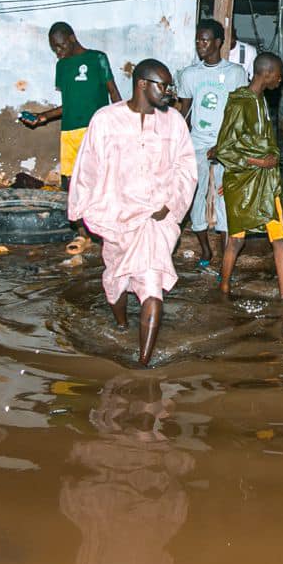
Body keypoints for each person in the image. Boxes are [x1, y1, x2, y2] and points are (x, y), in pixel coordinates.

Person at [66, 59, 197, 365]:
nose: (169, 93)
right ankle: (123, 324)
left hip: (156, 217)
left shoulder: (174, 122)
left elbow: (186, 169)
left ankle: (142, 363)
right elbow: (87, 167)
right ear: (142, 84)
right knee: (115, 281)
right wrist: (79, 211)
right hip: (115, 215)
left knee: (152, 285)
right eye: (162, 86)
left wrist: (172, 205)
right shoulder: (106, 120)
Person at [215, 52, 283, 299]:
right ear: (267, 74)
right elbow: (225, 147)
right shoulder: (239, 102)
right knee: (236, 240)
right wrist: (259, 162)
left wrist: (273, 159)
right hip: (244, 182)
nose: (280, 80)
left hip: (267, 183)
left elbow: (266, 141)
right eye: (278, 76)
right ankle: (224, 288)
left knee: (279, 238)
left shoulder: (262, 101)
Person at [175, 18, 248, 272]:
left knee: (224, 200)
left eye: (205, 40)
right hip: (197, 145)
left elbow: (241, 113)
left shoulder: (235, 73)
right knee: (194, 198)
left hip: (226, 146)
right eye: (197, 40)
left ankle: (228, 260)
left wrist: (228, 146)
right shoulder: (190, 74)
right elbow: (184, 113)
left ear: (218, 42)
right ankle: (205, 247)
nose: (200, 44)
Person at [21, 22, 121, 189]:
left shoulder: (97, 58)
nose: (59, 52)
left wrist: (124, 122)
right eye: (55, 49)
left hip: (94, 130)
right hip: (69, 132)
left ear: (72, 38)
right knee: (70, 183)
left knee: (97, 180)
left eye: (61, 46)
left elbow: (114, 94)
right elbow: (70, 104)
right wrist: (42, 117)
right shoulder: (62, 66)